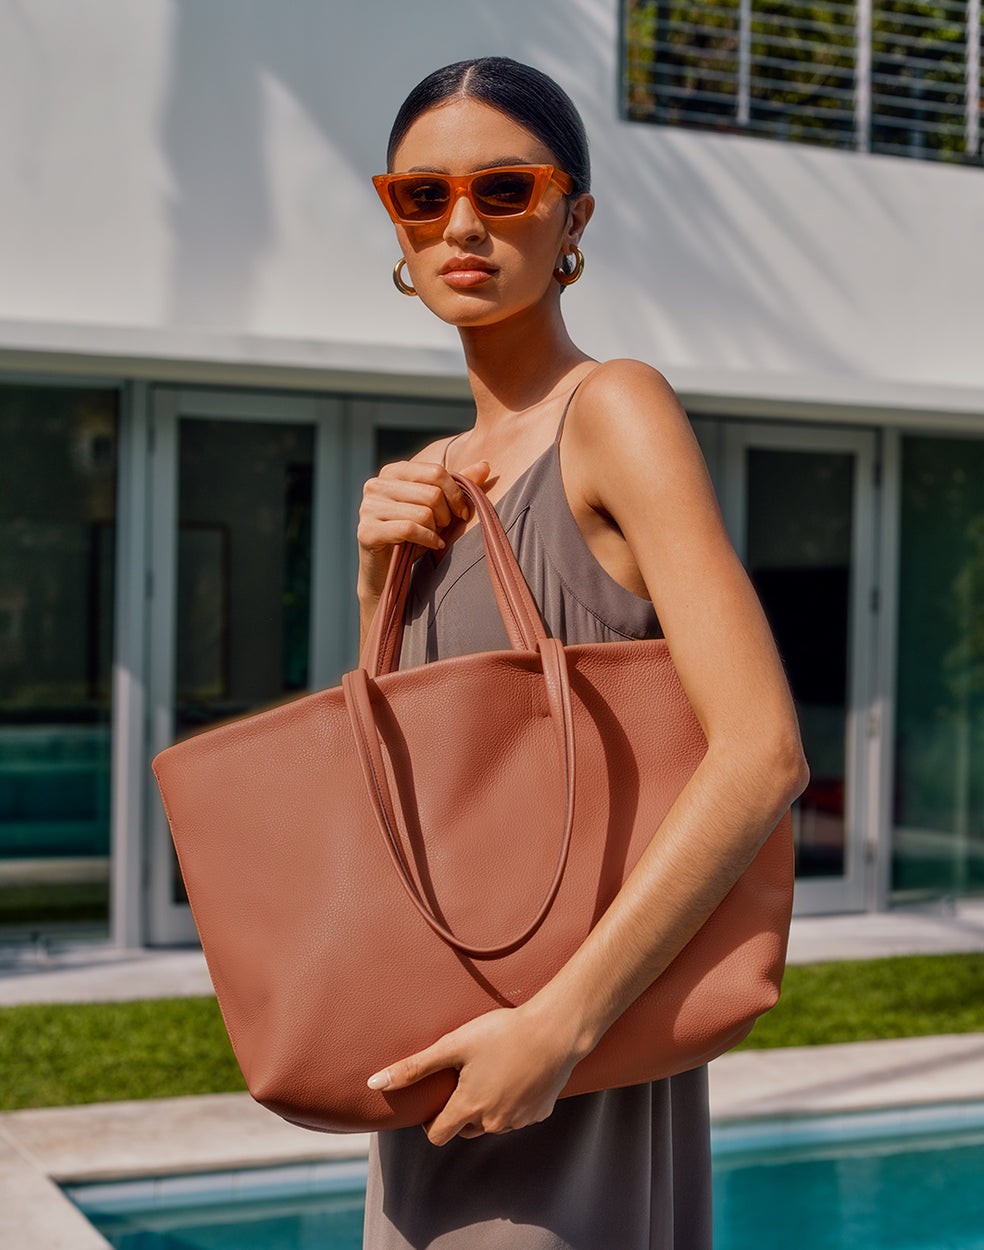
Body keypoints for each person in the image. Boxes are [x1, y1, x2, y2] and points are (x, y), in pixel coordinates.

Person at [356, 57, 808, 1250]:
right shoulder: (435, 473)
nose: (461, 223)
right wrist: (377, 580)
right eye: (421, 196)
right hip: (440, 1037)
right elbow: (411, 794)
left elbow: (761, 752)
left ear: (574, 217)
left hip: (569, 1040)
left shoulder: (615, 410)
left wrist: (557, 1028)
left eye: (505, 189)